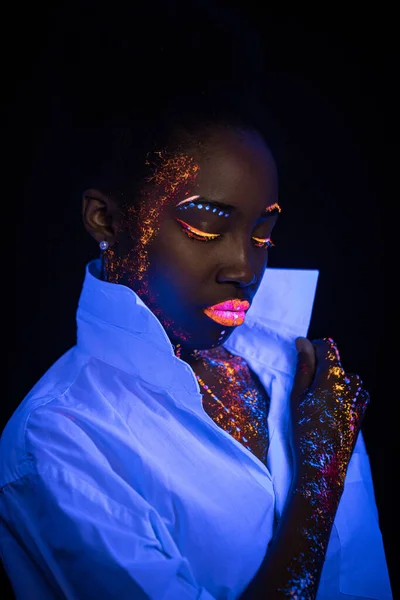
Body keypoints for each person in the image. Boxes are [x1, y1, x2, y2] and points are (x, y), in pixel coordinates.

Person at [0, 2, 392, 599]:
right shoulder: (62, 436)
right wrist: (317, 484)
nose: (246, 266)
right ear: (105, 218)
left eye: (262, 230)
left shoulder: (299, 368)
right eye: (207, 225)